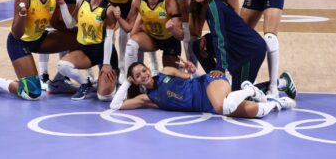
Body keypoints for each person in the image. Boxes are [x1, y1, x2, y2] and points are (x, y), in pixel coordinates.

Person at [0, 0, 78, 100]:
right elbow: (17, 34)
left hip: (38, 39)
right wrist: (22, 15)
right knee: (32, 93)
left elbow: (56, 23)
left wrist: (72, 24)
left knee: (78, 38)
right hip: (18, 42)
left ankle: (58, 81)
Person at [110, 62, 296, 118]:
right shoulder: (147, 98)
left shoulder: (165, 71)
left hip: (208, 84)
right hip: (207, 106)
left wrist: (192, 70)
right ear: (135, 81)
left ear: (148, 69)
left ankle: (250, 90)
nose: (143, 75)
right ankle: (277, 103)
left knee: (223, 107)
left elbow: (193, 77)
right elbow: (115, 105)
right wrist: (125, 83)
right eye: (137, 75)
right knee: (255, 112)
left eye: (144, 70)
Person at [55, 0, 119, 100]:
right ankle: (85, 83)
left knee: (104, 97)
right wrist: (62, 4)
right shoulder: (82, 1)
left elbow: (109, 38)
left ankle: (113, 76)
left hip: (103, 51)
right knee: (63, 66)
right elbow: (70, 24)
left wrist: (106, 64)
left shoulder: (109, 9)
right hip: (85, 51)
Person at [115, 0, 184, 73]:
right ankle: (129, 81)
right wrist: (118, 18)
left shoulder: (169, 1)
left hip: (170, 40)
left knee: (169, 75)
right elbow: (128, 27)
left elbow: (181, 35)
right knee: (131, 44)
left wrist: (173, 29)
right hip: (151, 38)